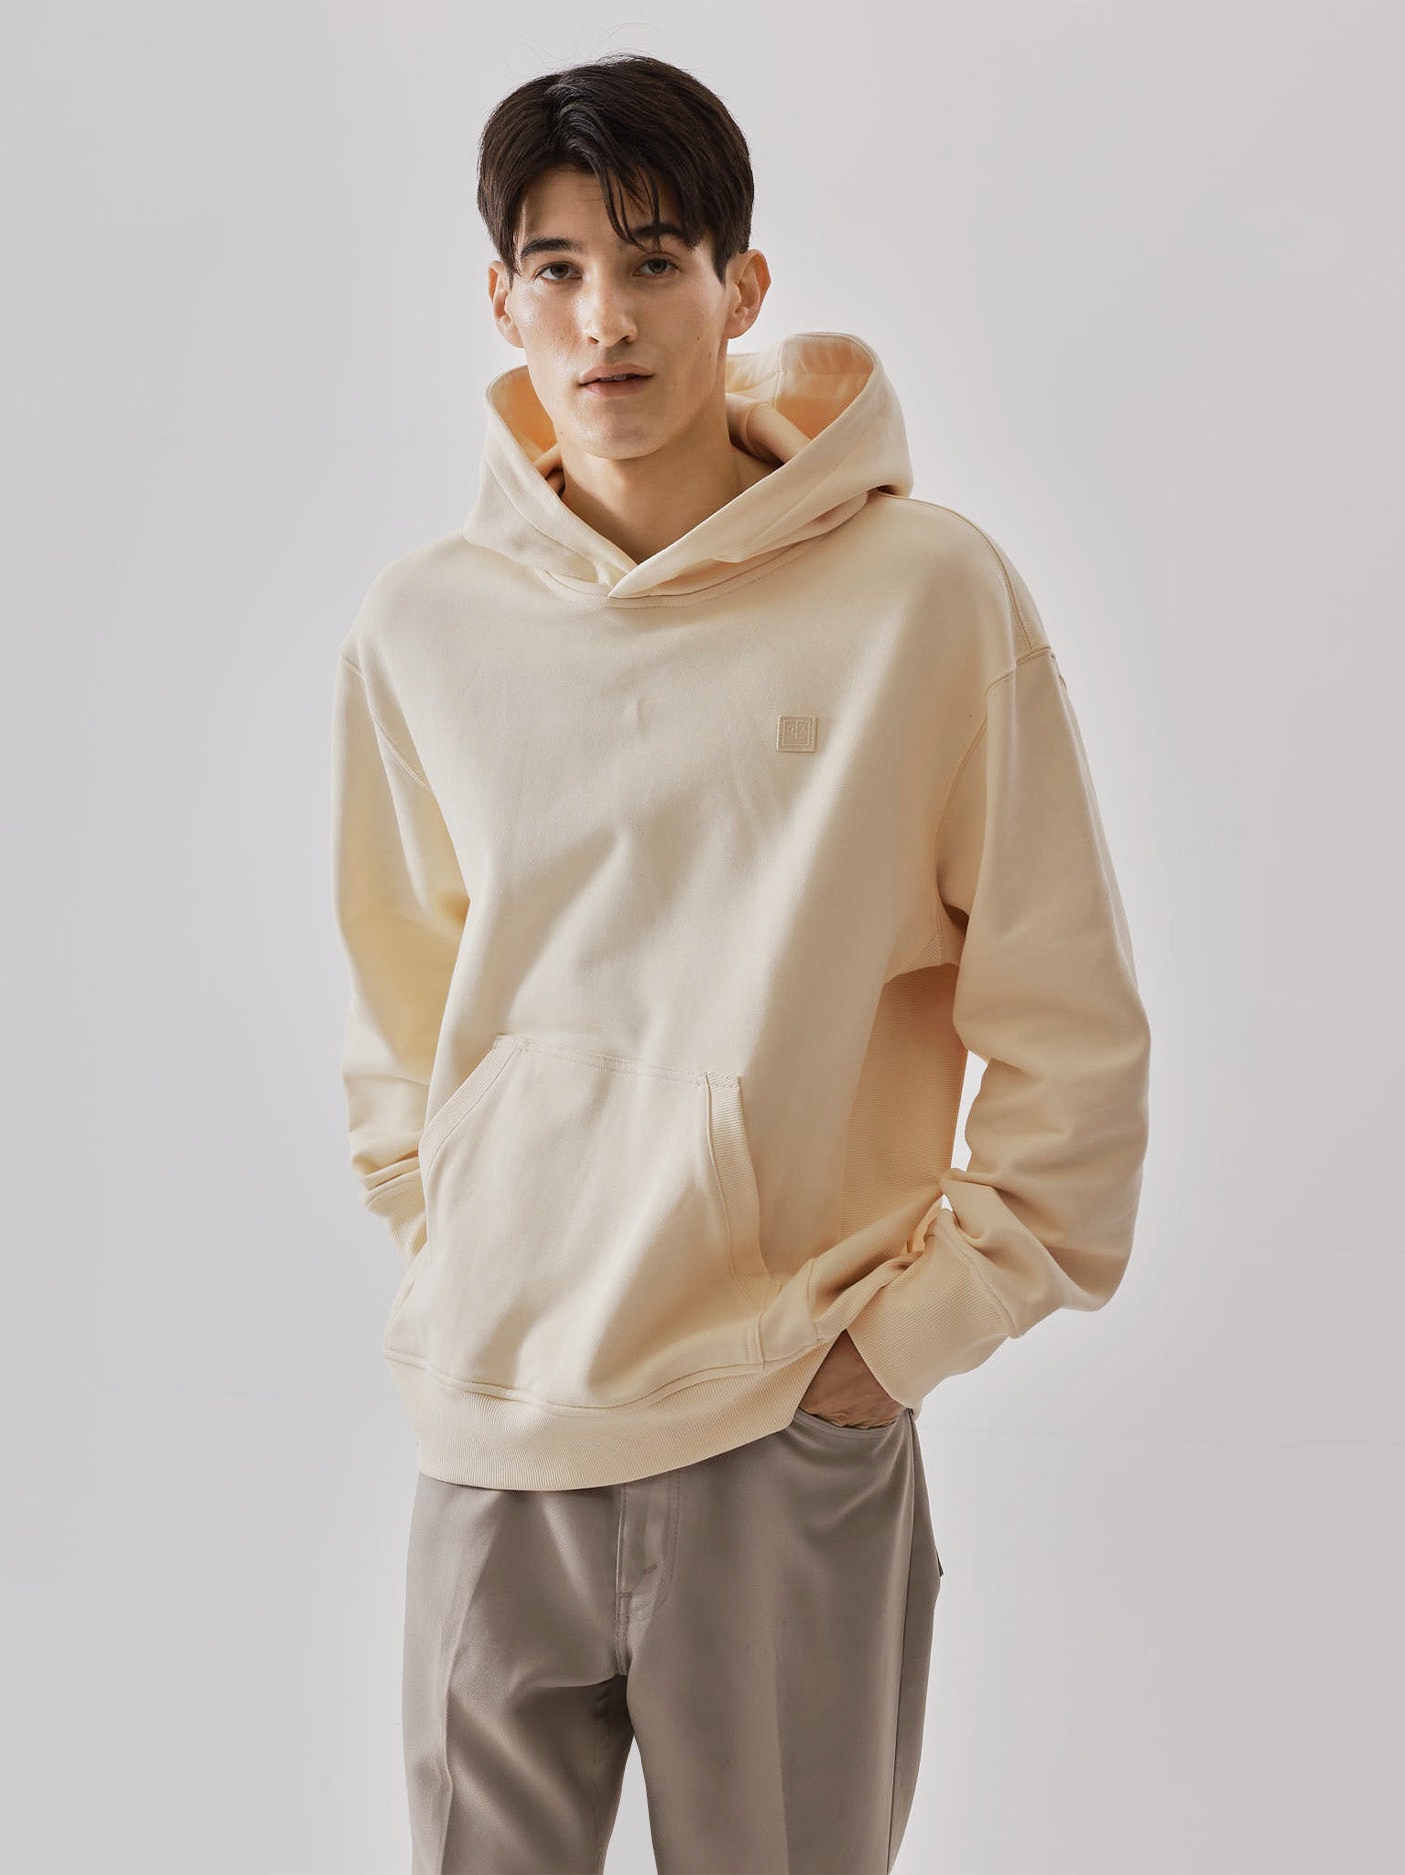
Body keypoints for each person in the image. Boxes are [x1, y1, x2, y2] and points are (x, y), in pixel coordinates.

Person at [328, 51, 1151, 1875]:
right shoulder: (424, 629)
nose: (604, 319)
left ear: (741, 285)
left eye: (654, 261)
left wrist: (894, 1349)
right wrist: (455, 1239)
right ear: (501, 301)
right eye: (556, 268)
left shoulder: (924, 598)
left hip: (785, 1424)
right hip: (493, 1429)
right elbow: (397, 1011)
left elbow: (1072, 1036)